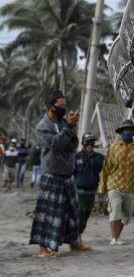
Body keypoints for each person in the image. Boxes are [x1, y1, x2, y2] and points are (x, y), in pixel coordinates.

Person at [29, 91, 91, 258]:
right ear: (51, 107)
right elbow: (55, 144)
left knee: (73, 211)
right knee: (48, 213)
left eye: (65, 106)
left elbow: (72, 146)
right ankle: (43, 249)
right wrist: (69, 128)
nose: (64, 109)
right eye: (61, 106)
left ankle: (75, 243)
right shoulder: (43, 126)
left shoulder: (63, 123)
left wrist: (73, 128)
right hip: (52, 175)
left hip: (67, 174)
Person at [97, 119, 134, 246]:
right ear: (121, 133)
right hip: (114, 184)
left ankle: (117, 237)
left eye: (130, 131)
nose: (127, 133)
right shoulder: (113, 148)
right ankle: (113, 238)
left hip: (130, 186)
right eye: (125, 131)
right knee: (115, 208)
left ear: (133, 133)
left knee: (127, 214)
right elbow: (106, 167)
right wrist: (102, 187)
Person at [74, 133, 104, 247]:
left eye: (92, 142)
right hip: (79, 191)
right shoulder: (77, 157)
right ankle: (77, 239)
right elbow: (72, 173)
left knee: (86, 215)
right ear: (83, 143)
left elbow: (105, 173)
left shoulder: (99, 158)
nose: (90, 145)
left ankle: (78, 236)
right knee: (80, 214)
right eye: (87, 142)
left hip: (92, 192)